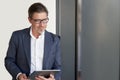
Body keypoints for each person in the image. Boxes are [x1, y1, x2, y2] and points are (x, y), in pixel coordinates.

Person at [4, 2, 61, 80]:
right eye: (37, 21)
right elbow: (9, 60)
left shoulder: (55, 39)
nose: (42, 25)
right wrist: (19, 75)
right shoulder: (17, 36)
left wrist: (53, 78)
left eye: (45, 20)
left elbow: (59, 67)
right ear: (30, 20)